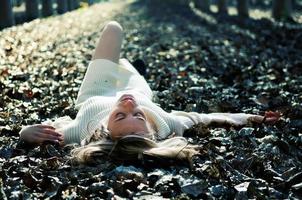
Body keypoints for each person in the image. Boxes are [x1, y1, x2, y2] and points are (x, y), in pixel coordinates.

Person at [19, 21, 279, 164]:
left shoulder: (82, 133)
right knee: (135, 76)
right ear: (153, 130)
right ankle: (135, 68)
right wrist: (252, 118)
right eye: (139, 116)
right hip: (136, 86)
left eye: (120, 116)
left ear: (104, 132)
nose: (128, 105)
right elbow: (208, 118)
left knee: (113, 28)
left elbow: (39, 133)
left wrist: (26, 133)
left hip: (96, 91)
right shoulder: (169, 125)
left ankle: (128, 65)